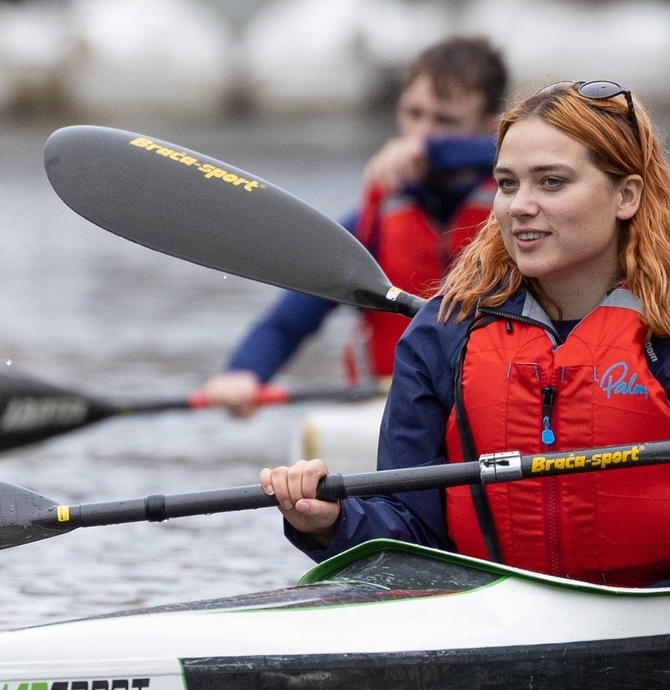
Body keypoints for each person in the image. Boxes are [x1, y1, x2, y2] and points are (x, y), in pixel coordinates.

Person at [260, 81, 670, 587]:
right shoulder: (444, 332)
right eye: (507, 184)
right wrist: (332, 523)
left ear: (626, 196)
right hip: (496, 617)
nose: (519, 206)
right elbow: (411, 534)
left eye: (552, 182)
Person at [202, 36, 509, 414]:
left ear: (490, 127)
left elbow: (517, 146)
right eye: (413, 113)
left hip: (491, 407)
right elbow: (287, 322)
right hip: (389, 411)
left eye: (444, 121)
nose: (420, 134)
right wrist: (244, 372)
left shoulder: (519, 210)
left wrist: (436, 153)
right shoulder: (374, 221)